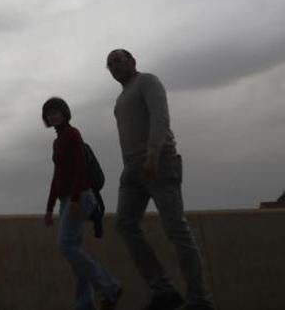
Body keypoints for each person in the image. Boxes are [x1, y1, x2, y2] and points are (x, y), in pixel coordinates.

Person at [106, 48, 215, 310]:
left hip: (159, 162)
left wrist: (153, 154)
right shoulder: (120, 100)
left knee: (176, 228)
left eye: (118, 60)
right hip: (132, 171)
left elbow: (160, 117)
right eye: (109, 64)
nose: (114, 66)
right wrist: (131, 167)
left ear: (133, 61)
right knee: (124, 224)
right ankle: (163, 290)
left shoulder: (148, 81)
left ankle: (199, 299)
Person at [42, 97, 123, 310]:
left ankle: (110, 287)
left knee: (66, 245)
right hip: (67, 199)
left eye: (56, 111)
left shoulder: (72, 134)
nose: (52, 115)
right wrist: (50, 207)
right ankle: (84, 303)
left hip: (80, 197)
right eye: (49, 113)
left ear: (64, 112)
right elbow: (57, 176)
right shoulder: (57, 141)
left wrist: (76, 198)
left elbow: (80, 167)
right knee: (75, 251)